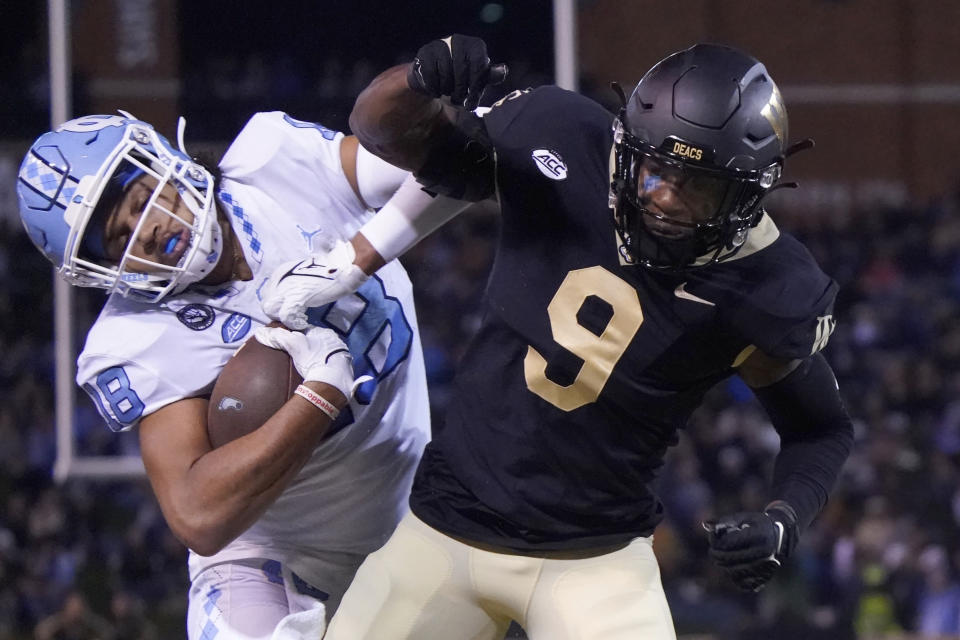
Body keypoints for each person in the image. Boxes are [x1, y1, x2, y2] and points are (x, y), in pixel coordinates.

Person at [261, 36, 855, 639]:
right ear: (627, 148)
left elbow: (820, 428)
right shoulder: (562, 137)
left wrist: (784, 518)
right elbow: (386, 131)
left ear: (751, 195)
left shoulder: (769, 288)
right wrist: (416, 79)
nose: (668, 200)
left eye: (700, 186)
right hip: (441, 529)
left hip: (596, 561)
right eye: (657, 172)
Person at [16, 109, 463, 638]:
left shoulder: (272, 164)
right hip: (279, 560)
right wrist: (318, 395)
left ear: (164, 158)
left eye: (141, 200)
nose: (150, 230)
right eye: (121, 239)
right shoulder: (136, 340)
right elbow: (197, 514)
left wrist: (354, 257)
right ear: (107, 271)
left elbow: (450, 159)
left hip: (418, 520)